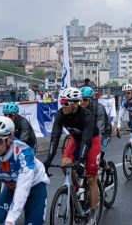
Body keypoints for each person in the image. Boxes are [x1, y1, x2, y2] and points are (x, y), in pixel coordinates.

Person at [43, 87, 101, 225]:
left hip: (91, 142)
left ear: (75, 103)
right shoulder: (61, 113)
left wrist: (81, 162)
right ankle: (75, 188)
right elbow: (55, 136)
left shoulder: (86, 115)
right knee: (65, 164)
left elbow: (87, 140)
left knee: (91, 178)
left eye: (66, 103)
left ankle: (92, 216)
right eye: (61, 103)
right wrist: (49, 159)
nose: (62, 106)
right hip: (75, 140)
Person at [0, 116, 49, 224]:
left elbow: (22, 189)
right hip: (11, 187)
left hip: (35, 186)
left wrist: (11, 219)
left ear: (10, 137)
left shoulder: (23, 152)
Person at [80, 87, 113, 172]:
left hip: (105, 132)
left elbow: (100, 130)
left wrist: (96, 146)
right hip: (90, 132)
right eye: (80, 100)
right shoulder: (81, 109)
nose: (82, 102)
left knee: (99, 157)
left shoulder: (99, 108)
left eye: (85, 100)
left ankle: (108, 169)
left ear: (91, 100)